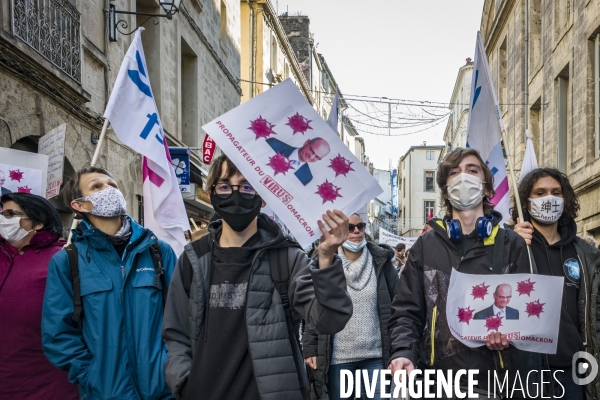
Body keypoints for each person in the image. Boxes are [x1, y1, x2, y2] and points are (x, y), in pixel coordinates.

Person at [162, 155, 352, 400]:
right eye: (224, 186)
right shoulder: (193, 260)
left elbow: (329, 321)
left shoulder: (286, 258)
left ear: (262, 199)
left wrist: (326, 259)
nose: (235, 194)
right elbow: (175, 333)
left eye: (246, 187)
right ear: (211, 195)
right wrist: (184, 381)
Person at [388, 148, 535, 398]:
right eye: (454, 173)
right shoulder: (425, 246)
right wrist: (403, 352)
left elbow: (526, 315)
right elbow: (406, 313)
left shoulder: (512, 244)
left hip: (496, 383)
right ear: (446, 191)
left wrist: (510, 334)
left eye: (472, 170)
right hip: (438, 383)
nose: (463, 177)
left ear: (487, 188)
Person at [41, 166, 177, 400]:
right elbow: (58, 333)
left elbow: (182, 317)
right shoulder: (67, 260)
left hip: (163, 391)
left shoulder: (158, 251)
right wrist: (90, 375)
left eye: (112, 185)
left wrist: (170, 366)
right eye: (97, 186)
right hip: (104, 393)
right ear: (80, 205)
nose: (109, 190)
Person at [513, 168, 600, 399]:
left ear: (565, 198)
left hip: (573, 371)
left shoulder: (585, 253)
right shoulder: (514, 247)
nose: (548, 198)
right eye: (540, 193)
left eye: (555, 192)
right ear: (527, 201)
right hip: (526, 371)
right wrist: (512, 246)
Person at [303, 213, 398, 400]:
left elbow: (399, 305)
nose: (356, 231)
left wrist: (400, 348)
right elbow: (314, 310)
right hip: (338, 359)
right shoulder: (324, 263)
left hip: (376, 356)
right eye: (349, 227)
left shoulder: (382, 262)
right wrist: (310, 348)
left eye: (360, 226)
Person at [0, 193, 78, 399]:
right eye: (1, 213)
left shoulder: (63, 258)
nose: (3, 219)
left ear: (39, 222)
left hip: (44, 383)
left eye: (10, 213)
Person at [266, 137, 331, 185]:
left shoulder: (307, 177)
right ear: (306, 142)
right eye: (311, 150)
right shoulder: (274, 144)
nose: (311, 157)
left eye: (317, 157)